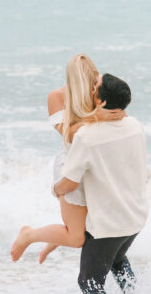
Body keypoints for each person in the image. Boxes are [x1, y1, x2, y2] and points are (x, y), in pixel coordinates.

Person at [53, 73, 151, 294]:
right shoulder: (135, 125)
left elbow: (68, 182)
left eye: (95, 86)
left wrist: (55, 190)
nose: (91, 87)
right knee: (118, 261)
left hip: (108, 225)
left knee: (89, 282)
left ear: (100, 101)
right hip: (134, 217)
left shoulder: (88, 137)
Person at [10, 54, 124, 264]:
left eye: (94, 80)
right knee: (77, 237)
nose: (92, 87)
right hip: (71, 165)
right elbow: (67, 134)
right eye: (88, 81)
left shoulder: (96, 94)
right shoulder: (57, 97)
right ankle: (29, 235)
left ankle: (54, 239)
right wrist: (97, 117)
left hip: (96, 164)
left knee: (90, 226)